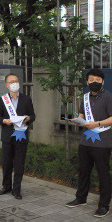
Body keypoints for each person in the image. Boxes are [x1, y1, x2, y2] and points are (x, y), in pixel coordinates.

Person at [66, 68, 112, 218]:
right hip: (85, 141)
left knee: (103, 174)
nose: (94, 82)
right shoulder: (85, 97)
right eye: (91, 80)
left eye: (97, 80)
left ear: (103, 82)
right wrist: (78, 120)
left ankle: (104, 205)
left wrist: (97, 123)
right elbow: (81, 114)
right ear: (87, 82)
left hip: (102, 142)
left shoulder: (108, 97)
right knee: (83, 171)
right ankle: (81, 198)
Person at [0, 74, 35, 200]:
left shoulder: (26, 99)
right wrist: (4, 121)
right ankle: (6, 186)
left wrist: (27, 119)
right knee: (6, 163)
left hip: (21, 134)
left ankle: (16, 190)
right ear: (7, 85)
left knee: (19, 164)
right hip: (7, 134)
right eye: (12, 81)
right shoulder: (3, 99)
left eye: (16, 81)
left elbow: (33, 115)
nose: (14, 83)